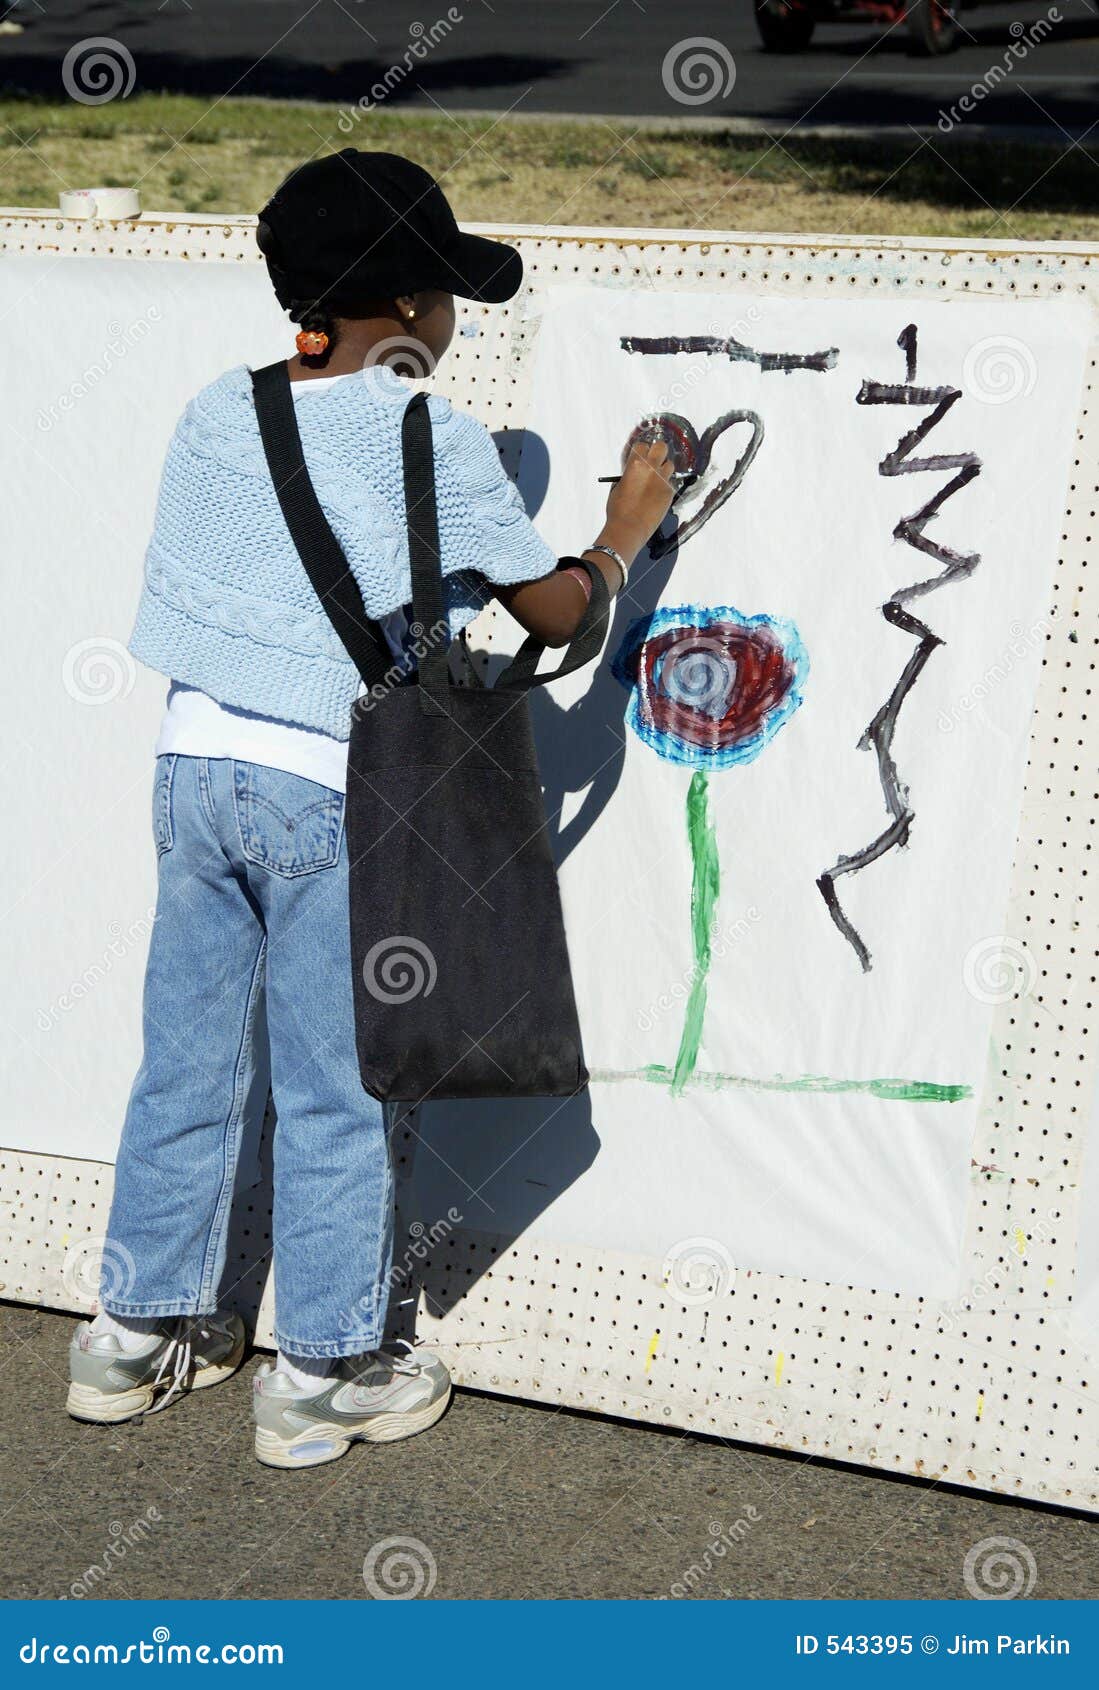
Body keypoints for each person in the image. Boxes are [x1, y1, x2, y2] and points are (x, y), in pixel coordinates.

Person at [66, 150, 675, 1469]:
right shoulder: (429, 435)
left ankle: (131, 1336)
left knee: (185, 1064)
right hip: (323, 789)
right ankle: (327, 1368)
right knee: (340, 1090)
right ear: (406, 311)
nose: (457, 322)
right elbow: (557, 621)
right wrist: (624, 531)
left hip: (192, 773)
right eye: (449, 294)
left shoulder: (215, 413)